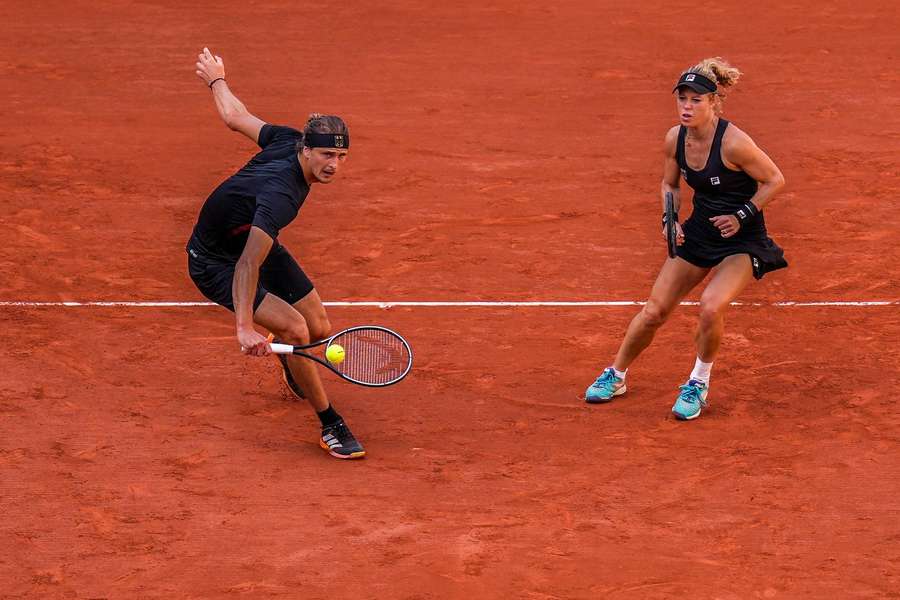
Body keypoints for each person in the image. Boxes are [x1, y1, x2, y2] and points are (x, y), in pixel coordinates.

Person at [585, 57, 787, 420]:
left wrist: (742, 216)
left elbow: (775, 179)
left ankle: (698, 381)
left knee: (711, 305)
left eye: (696, 100)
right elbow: (669, 184)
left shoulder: (735, 144)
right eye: (683, 99)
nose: (687, 106)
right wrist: (669, 218)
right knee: (654, 311)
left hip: (742, 241)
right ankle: (616, 375)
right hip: (699, 233)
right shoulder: (675, 139)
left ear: (713, 103)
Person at [187, 48, 364, 458]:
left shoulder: (287, 139)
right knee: (297, 331)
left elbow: (235, 116)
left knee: (318, 328)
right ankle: (331, 425)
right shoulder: (280, 195)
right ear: (306, 150)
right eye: (326, 155)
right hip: (216, 260)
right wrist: (244, 328)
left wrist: (217, 79)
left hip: (251, 241)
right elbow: (247, 263)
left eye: (341, 156)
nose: (334, 165)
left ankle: (291, 361)